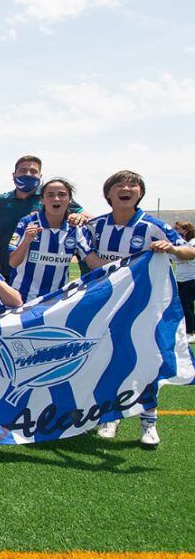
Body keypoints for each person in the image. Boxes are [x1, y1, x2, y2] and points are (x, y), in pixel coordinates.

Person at [89, 170, 195, 447]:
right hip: (107, 308)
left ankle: (149, 422)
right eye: (120, 184)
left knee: (146, 361)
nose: (126, 188)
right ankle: (111, 416)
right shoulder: (96, 226)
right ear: (108, 193)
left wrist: (170, 248)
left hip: (145, 309)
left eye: (133, 185)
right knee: (108, 361)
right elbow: (85, 254)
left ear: (140, 193)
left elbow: (189, 250)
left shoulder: (151, 225)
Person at [0, 155, 85, 281]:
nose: (28, 174)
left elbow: (86, 216)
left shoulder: (50, 196)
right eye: (23, 170)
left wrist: (78, 216)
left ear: (40, 176)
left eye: (33, 171)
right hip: (9, 274)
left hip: (48, 276)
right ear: (14, 175)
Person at [8, 178, 97, 302]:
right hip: (22, 298)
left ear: (70, 200)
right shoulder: (28, 222)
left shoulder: (76, 229)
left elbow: (93, 261)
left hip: (55, 302)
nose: (56, 199)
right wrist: (26, 241)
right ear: (42, 200)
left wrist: (130, 266)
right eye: (50, 195)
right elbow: (13, 262)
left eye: (62, 194)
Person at [174, 221, 195, 343]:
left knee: (183, 306)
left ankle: (189, 332)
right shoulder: (180, 243)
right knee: (188, 306)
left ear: (186, 230)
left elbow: (188, 255)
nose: (176, 231)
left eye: (178, 229)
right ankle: (191, 329)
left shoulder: (192, 243)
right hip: (180, 279)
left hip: (191, 279)